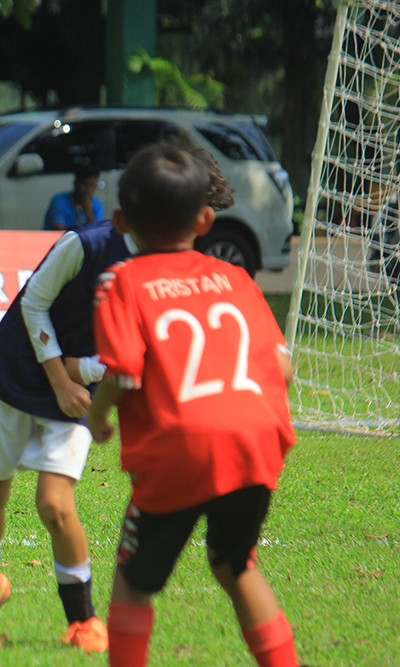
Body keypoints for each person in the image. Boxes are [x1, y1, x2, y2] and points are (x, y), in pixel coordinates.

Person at [0, 144, 233, 648]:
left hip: (75, 394)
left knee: (55, 505)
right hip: (19, 375)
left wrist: (86, 374)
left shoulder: (180, 268)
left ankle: (83, 620)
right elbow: (34, 302)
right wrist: (60, 375)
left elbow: (143, 348)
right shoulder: (88, 243)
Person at [86, 143, 299, 667]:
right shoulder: (236, 278)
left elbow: (126, 371)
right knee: (236, 566)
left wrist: (96, 416)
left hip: (180, 447)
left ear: (120, 221)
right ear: (205, 219)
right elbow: (285, 367)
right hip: (257, 442)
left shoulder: (121, 281)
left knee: (132, 583)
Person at [43, 166, 104, 231]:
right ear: (76, 183)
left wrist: (89, 213)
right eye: (85, 185)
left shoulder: (97, 205)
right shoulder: (59, 201)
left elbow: (96, 234)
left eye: (92, 186)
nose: (88, 190)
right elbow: (60, 233)